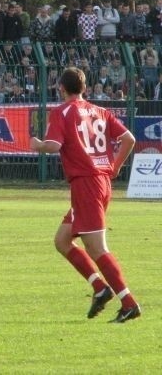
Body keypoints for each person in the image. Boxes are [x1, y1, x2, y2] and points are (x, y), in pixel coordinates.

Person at [29, 67, 140, 323]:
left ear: (61, 88)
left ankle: (129, 303)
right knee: (62, 240)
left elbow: (54, 146)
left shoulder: (63, 112)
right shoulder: (100, 111)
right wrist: (113, 167)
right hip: (98, 182)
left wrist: (37, 144)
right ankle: (100, 288)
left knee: (97, 248)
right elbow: (129, 139)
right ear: (85, 88)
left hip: (87, 185)